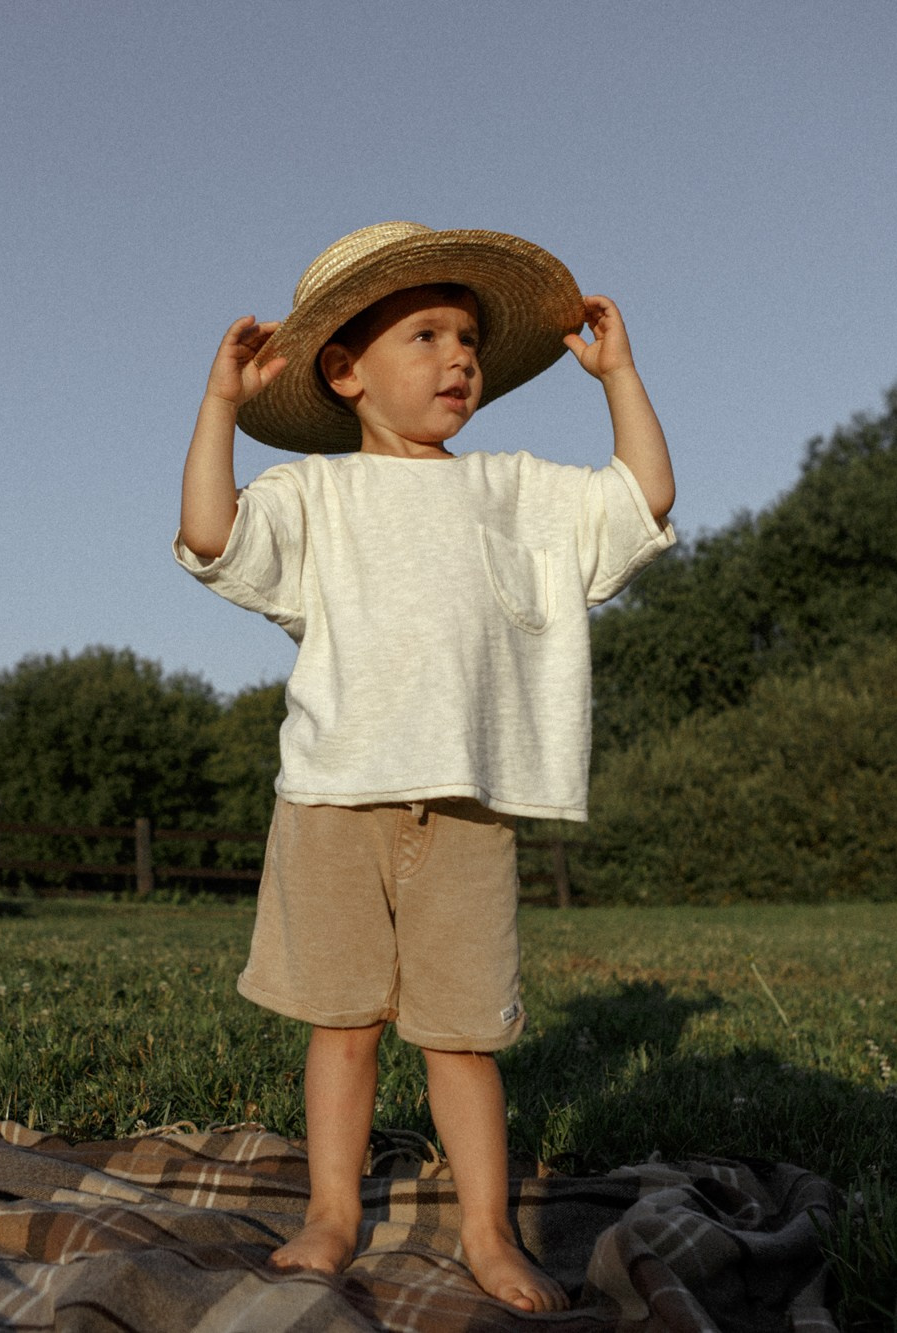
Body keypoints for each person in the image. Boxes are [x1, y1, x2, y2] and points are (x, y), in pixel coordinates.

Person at [176, 222, 676, 1310]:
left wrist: (618, 377)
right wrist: (219, 406)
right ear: (344, 373)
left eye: (467, 338)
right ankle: (332, 1214)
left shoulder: (510, 488)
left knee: (459, 1036)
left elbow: (640, 502)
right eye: (424, 335)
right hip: (332, 796)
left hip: (462, 803)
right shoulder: (313, 496)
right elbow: (210, 537)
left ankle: (489, 1235)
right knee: (342, 1023)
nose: (459, 357)